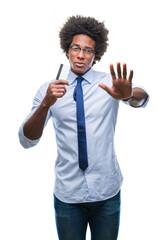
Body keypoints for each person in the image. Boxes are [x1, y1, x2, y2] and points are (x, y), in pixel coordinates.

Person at [19, 15, 149, 240]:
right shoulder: (49, 90)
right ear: (66, 49)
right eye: (75, 48)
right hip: (68, 195)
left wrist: (128, 96)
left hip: (106, 191)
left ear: (96, 54)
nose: (80, 55)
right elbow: (26, 140)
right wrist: (45, 104)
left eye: (88, 50)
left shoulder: (110, 83)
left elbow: (142, 98)